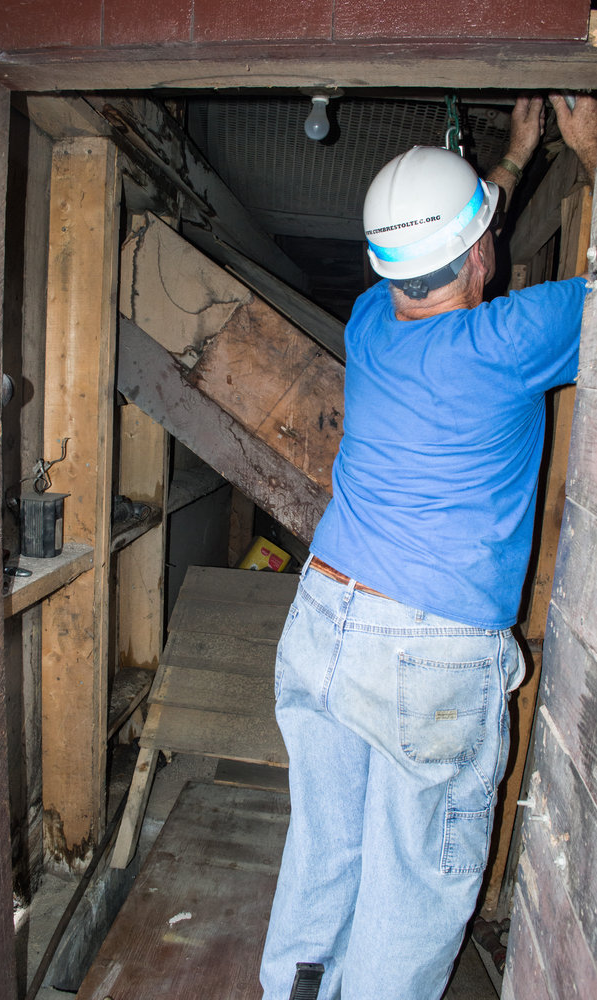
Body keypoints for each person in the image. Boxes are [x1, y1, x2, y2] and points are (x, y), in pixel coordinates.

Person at [259, 94, 597, 1000]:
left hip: (321, 621)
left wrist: (514, 158)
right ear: (481, 250)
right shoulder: (509, 337)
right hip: (425, 656)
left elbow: (439, 239)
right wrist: (585, 157)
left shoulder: (370, 321)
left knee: (325, 850)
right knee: (414, 889)